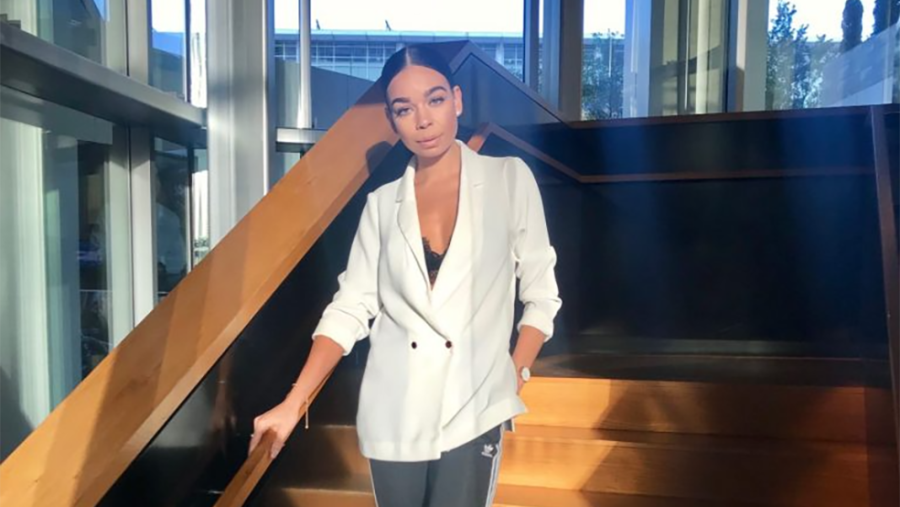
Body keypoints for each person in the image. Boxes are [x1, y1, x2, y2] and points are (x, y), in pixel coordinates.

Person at [250, 44, 561, 507]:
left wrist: (515, 371)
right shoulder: (380, 205)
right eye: (404, 108)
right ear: (392, 120)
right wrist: (293, 403)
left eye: (435, 99)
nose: (423, 120)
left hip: (474, 403)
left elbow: (541, 293)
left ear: (457, 100)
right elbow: (350, 308)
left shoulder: (508, 179)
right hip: (394, 409)